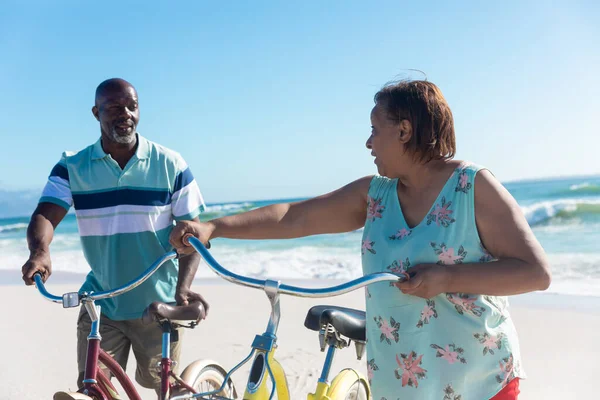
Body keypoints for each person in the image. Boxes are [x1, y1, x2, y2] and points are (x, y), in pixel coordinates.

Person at [169, 80, 551, 399]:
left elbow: (535, 273)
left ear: (404, 130)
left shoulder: (472, 186)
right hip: (402, 383)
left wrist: (447, 279)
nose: (368, 144)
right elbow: (295, 216)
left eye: (374, 130)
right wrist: (213, 227)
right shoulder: (375, 194)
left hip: (479, 381)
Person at [21, 78, 209, 392]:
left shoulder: (171, 164)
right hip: (101, 305)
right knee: (94, 389)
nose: (125, 114)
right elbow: (45, 214)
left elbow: (194, 235)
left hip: (158, 306)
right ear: (96, 112)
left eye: (131, 106)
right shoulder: (72, 166)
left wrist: (184, 289)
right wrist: (40, 251)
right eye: (113, 107)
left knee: (164, 389)